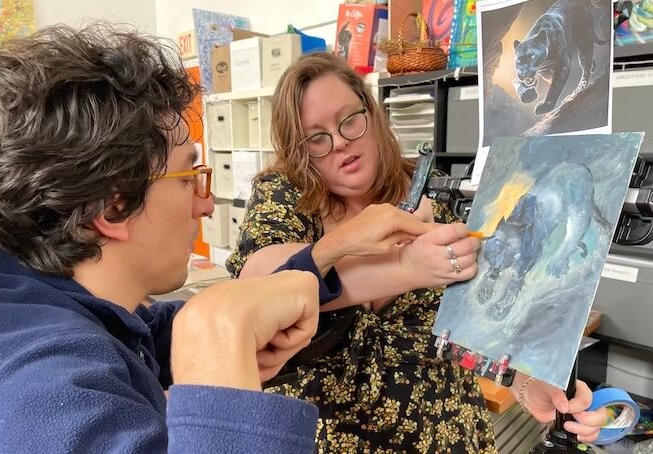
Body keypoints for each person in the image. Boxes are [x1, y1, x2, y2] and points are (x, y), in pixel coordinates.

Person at [0, 24, 441, 453]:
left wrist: (237, 324)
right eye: (190, 177)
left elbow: (155, 332)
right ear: (113, 208)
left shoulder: (63, 307)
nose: (206, 206)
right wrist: (217, 345)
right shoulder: (47, 391)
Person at [226, 52, 607, 452]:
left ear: (371, 111)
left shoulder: (434, 191)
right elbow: (258, 277)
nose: (339, 142)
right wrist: (404, 264)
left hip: (446, 434)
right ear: (299, 149)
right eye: (316, 138)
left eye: (348, 121)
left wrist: (525, 380)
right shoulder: (286, 194)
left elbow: (468, 326)